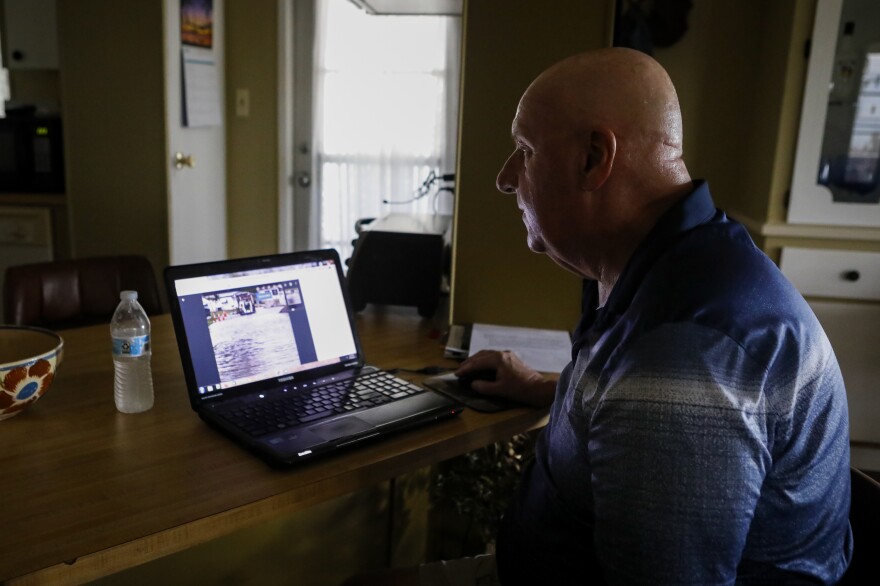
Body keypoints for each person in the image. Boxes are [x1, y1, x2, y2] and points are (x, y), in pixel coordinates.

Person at [348, 47, 853, 586]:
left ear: (594, 158)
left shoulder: (682, 352)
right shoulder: (675, 263)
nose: (504, 177)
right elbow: (632, 409)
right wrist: (542, 387)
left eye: (524, 150)